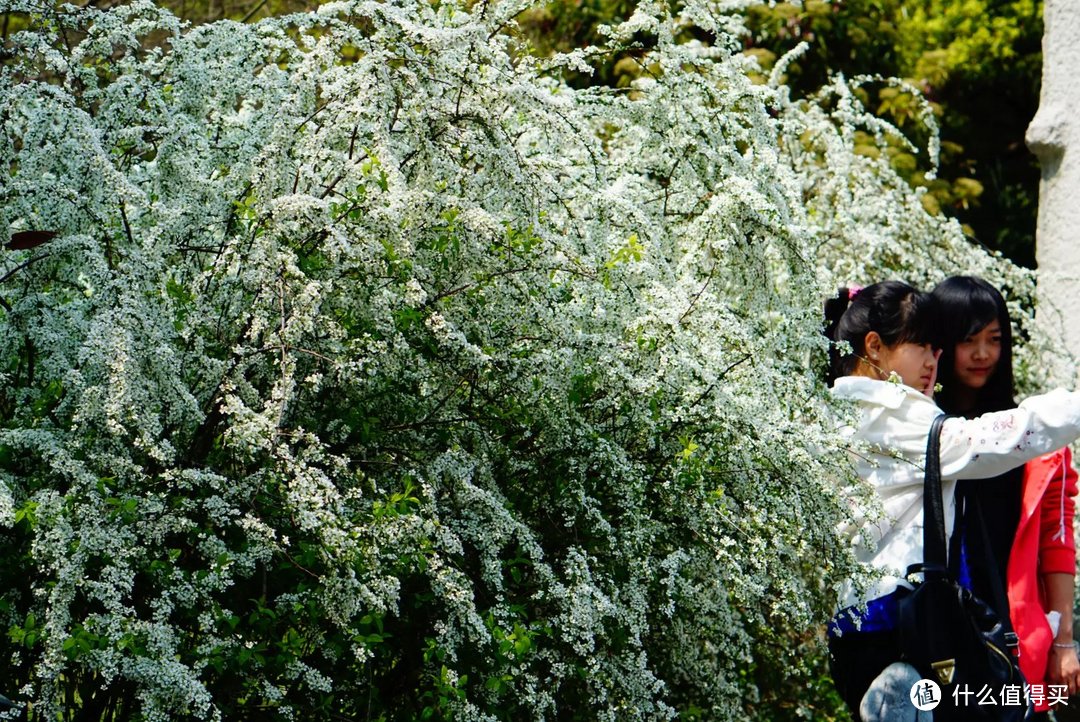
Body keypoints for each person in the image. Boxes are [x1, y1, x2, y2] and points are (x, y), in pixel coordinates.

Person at [822, 280, 1080, 721]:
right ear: (874, 346)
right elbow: (997, 439)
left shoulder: (835, 415)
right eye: (922, 345)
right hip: (904, 623)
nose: (931, 361)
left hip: (858, 624)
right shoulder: (895, 422)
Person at [932, 275, 1080, 718]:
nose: (982, 354)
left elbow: (1057, 545)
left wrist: (1065, 642)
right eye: (968, 340)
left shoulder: (1035, 438)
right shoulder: (919, 432)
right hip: (936, 636)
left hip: (1014, 637)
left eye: (993, 340)